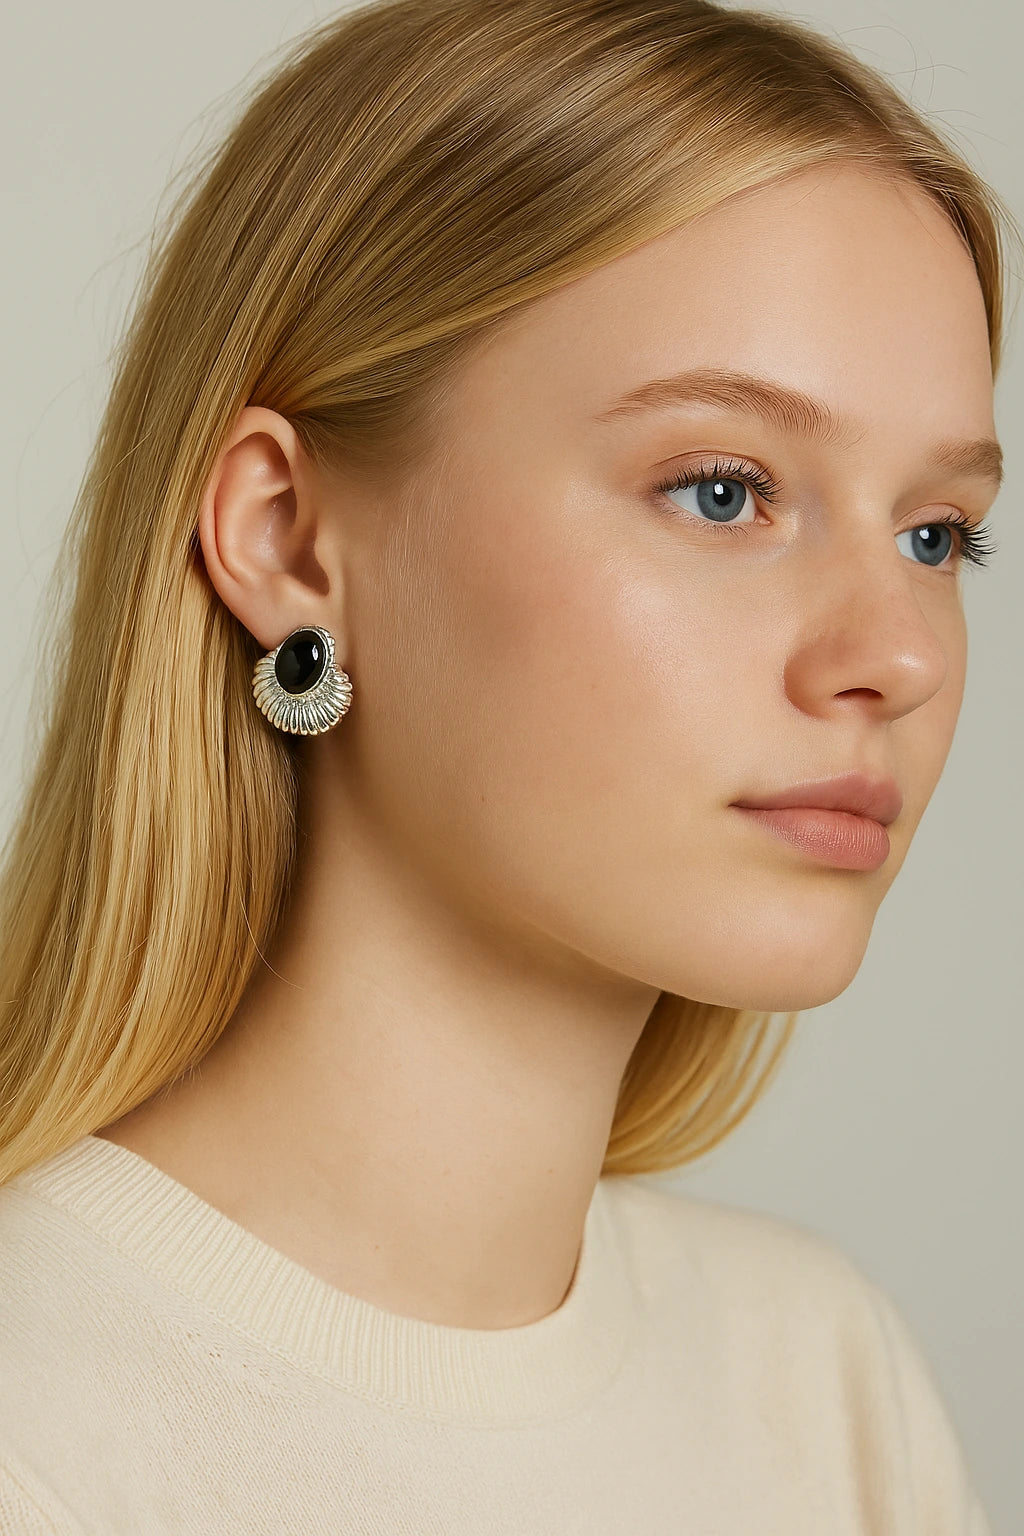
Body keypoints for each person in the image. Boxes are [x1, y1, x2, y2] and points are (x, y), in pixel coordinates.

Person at [0, 0, 1014, 1529]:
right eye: (723, 490)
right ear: (282, 536)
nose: (901, 652)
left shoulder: (824, 1385)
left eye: (936, 531)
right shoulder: (43, 1422)